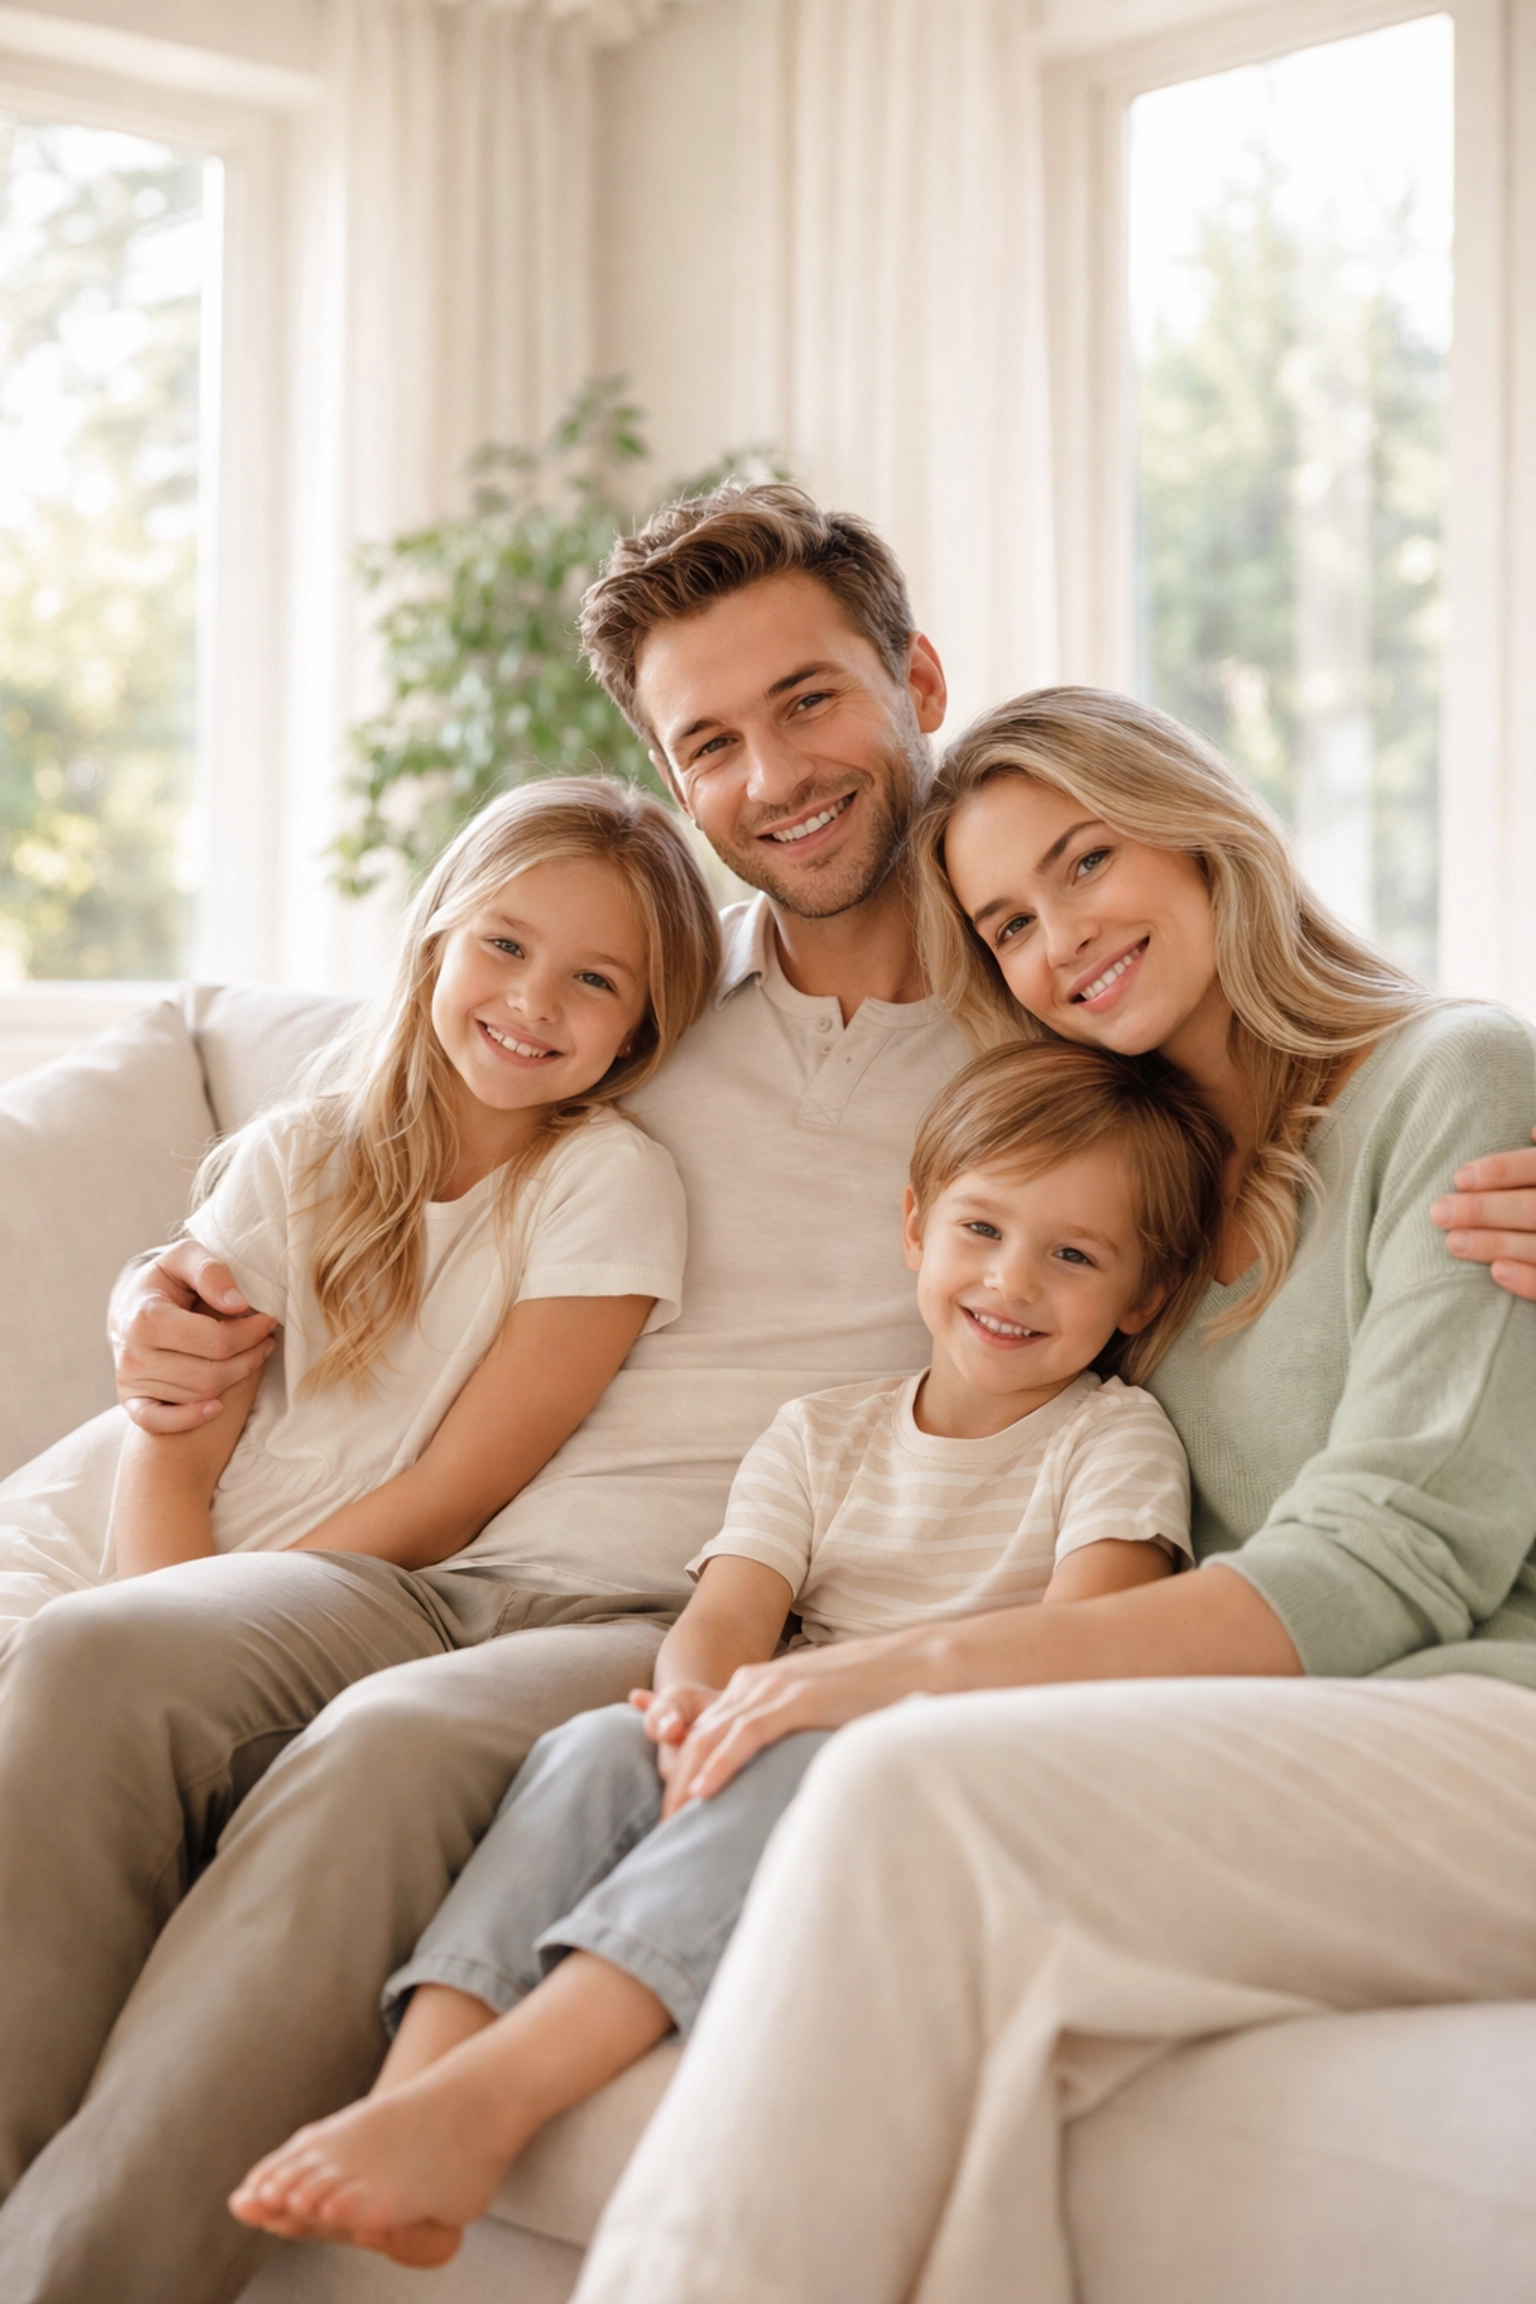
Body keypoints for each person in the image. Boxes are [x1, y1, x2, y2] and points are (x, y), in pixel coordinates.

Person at [0, 485, 1530, 2304]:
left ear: (915, 684)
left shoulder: (1058, 1048)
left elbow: (1354, 1119)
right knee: (95, 1655)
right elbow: (374, 1143)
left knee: (391, 1749)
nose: (775, 776)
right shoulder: (632, 990)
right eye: (708, 743)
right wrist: (164, 1295)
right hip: (448, 1556)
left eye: (810, 701)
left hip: (717, 1592)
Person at [564, 687, 1536, 2304]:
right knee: (978, 2026)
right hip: (1249, 1727)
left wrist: (896, 1669)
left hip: (1480, 1710)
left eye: (1087, 862)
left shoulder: (1454, 1074)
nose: (1061, 936)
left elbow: (1397, 1551)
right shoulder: (1135, 1205)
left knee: (906, 1785)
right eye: (1010, 922)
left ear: (1204, 835)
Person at [228, 1035, 1226, 2267]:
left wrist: (799, 1712)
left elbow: (1083, 1645)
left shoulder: (1112, 1440)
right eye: (981, 1228)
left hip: (950, 1762)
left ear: (1142, 1298)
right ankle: (415, 2097)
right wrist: (690, 1714)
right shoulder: (823, 1432)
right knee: (595, 1749)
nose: (1010, 1281)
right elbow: (724, 1619)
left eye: (1073, 1256)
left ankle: (499, 2094)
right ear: (915, 1228)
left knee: (800, 1759)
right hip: (780, 1724)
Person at [0, 778, 712, 1629]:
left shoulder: (609, 1185)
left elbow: (452, 1495)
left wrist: (208, 1631)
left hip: (286, 1599)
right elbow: (174, 1442)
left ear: (640, 1028)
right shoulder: (298, 1152)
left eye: (594, 978)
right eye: (504, 945)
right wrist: (154, 1624)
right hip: (90, 1547)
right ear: (437, 943)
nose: (534, 1000)